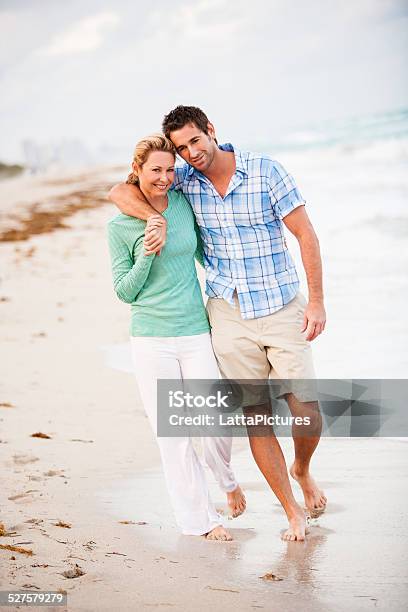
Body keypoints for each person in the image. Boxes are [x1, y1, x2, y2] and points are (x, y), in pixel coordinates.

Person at [109, 107, 327, 542]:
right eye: (181, 149)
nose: (190, 154)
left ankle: (300, 468)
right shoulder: (182, 181)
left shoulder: (259, 171)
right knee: (251, 413)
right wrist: (150, 223)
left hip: (278, 306)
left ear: (211, 131)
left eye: (195, 142)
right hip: (224, 314)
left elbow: (305, 233)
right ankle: (286, 514)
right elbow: (119, 191)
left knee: (304, 407)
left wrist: (317, 301)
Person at [107, 133, 246, 541]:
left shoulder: (183, 204)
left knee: (217, 421)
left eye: (170, 169)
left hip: (194, 331)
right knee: (175, 436)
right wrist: (148, 252)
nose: (165, 177)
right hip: (151, 338)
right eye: (155, 170)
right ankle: (198, 522)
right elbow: (124, 291)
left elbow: (205, 253)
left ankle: (227, 480)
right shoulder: (119, 226)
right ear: (137, 171)